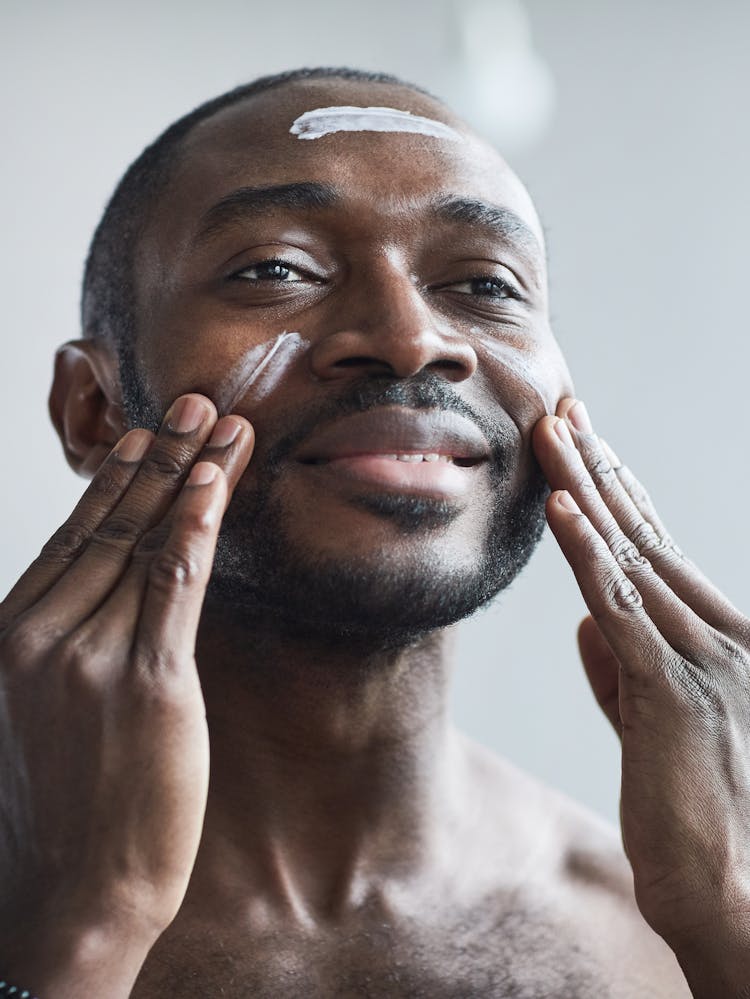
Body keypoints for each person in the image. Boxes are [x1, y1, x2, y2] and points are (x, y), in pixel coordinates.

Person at [0, 66, 746, 998]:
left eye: (483, 281)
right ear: (93, 410)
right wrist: (79, 935)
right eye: (275, 269)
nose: (409, 337)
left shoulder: (682, 936)